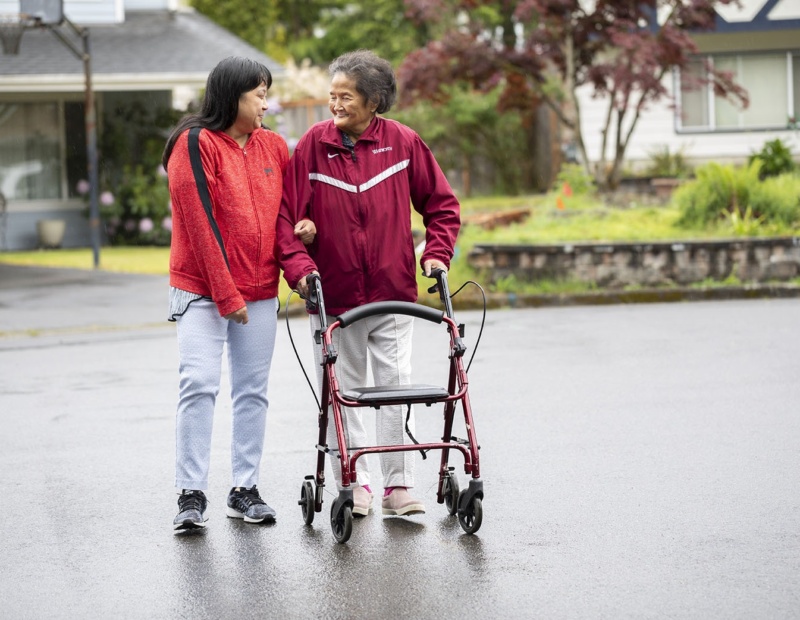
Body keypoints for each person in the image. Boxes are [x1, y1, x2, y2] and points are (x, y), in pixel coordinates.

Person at [277, 49, 461, 518]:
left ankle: (399, 487)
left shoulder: (403, 143)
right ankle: (353, 482)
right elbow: (286, 220)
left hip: (392, 292)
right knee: (348, 391)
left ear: (375, 100)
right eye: (332, 95)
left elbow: (441, 206)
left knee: (396, 388)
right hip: (334, 296)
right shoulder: (314, 146)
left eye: (346, 96)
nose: (334, 105)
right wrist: (300, 268)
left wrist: (436, 252)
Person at [162, 56, 316, 532]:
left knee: (252, 393)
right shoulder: (194, 143)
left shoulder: (274, 146)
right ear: (234, 96)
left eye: (267, 95)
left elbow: (289, 214)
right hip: (202, 291)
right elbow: (200, 225)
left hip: (260, 290)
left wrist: (304, 229)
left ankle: (244, 489)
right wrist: (228, 298)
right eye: (260, 95)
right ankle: (191, 494)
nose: (266, 105)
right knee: (199, 385)